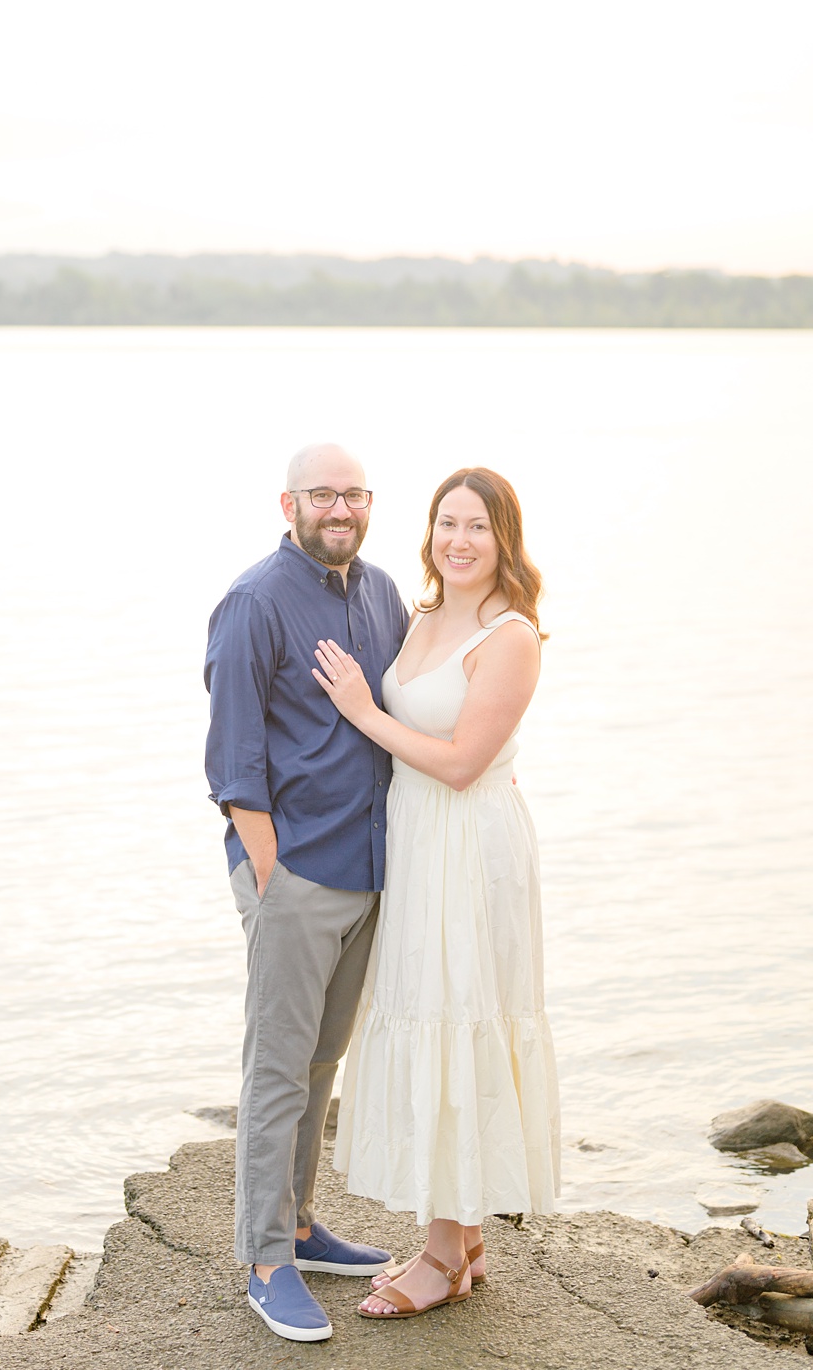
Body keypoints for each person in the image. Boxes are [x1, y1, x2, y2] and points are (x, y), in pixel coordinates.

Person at [317, 467, 560, 1320]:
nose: (459, 540)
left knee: (459, 1018)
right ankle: (466, 1237)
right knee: (428, 1011)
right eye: (446, 522)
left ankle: (442, 1254)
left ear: (505, 540)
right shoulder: (422, 617)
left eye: (478, 527)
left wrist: (359, 707)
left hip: (469, 842)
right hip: (419, 841)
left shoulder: (511, 634)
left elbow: (460, 763)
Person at [203, 443, 405, 1345]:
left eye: (353, 495)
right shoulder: (253, 601)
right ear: (288, 502)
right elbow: (234, 755)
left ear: (369, 504)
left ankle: (301, 1225)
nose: (339, 509)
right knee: (277, 1068)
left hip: (367, 868)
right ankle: (263, 1261)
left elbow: (396, 715)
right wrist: (270, 875)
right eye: (322, 494)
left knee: (323, 1064)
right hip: (295, 875)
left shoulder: (382, 591)